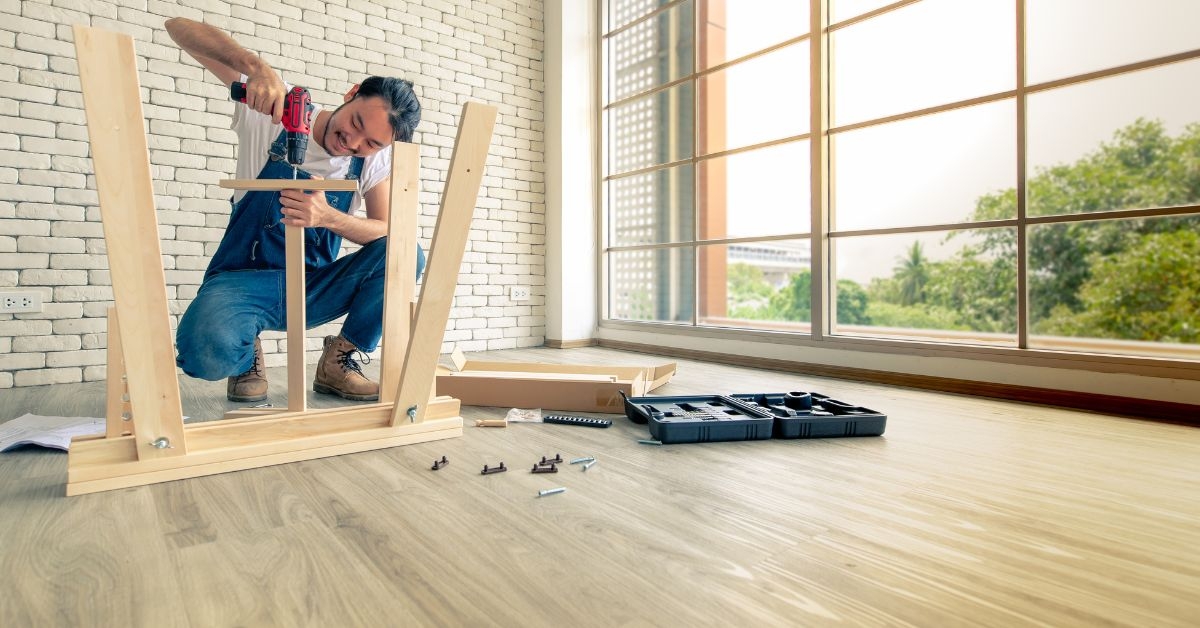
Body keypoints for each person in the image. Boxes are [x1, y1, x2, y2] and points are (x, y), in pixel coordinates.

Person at [165, 17, 424, 403]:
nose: (352, 142)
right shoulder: (279, 111)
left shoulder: (372, 163)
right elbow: (177, 28)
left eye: (370, 143)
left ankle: (339, 359)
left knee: (406, 253)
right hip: (243, 280)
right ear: (351, 94)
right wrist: (256, 68)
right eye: (355, 122)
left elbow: (390, 230)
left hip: (311, 287)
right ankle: (243, 354)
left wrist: (329, 217)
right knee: (203, 355)